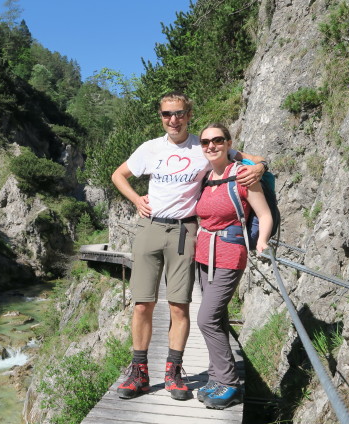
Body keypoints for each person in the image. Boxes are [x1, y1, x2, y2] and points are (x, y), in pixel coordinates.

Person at [111, 91, 267, 400]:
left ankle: (174, 371)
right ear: (161, 116)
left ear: (188, 114)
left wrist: (260, 167)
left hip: (185, 231)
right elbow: (119, 174)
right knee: (143, 303)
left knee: (179, 304)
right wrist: (135, 199)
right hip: (151, 226)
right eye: (166, 114)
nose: (173, 119)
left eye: (179, 113)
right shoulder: (150, 148)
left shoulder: (205, 146)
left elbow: (251, 159)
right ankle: (139, 371)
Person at [194, 123, 273, 409]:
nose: (211, 146)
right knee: (218, 317)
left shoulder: (243, 175)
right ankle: (216, 375)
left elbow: (264, 215)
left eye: (217, 140)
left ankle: (229, 383)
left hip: (229, 254)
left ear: (228, 143)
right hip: (203, 254)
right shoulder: (204, 177)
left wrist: (262, 240)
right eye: (205, 142)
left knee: (206, 318)